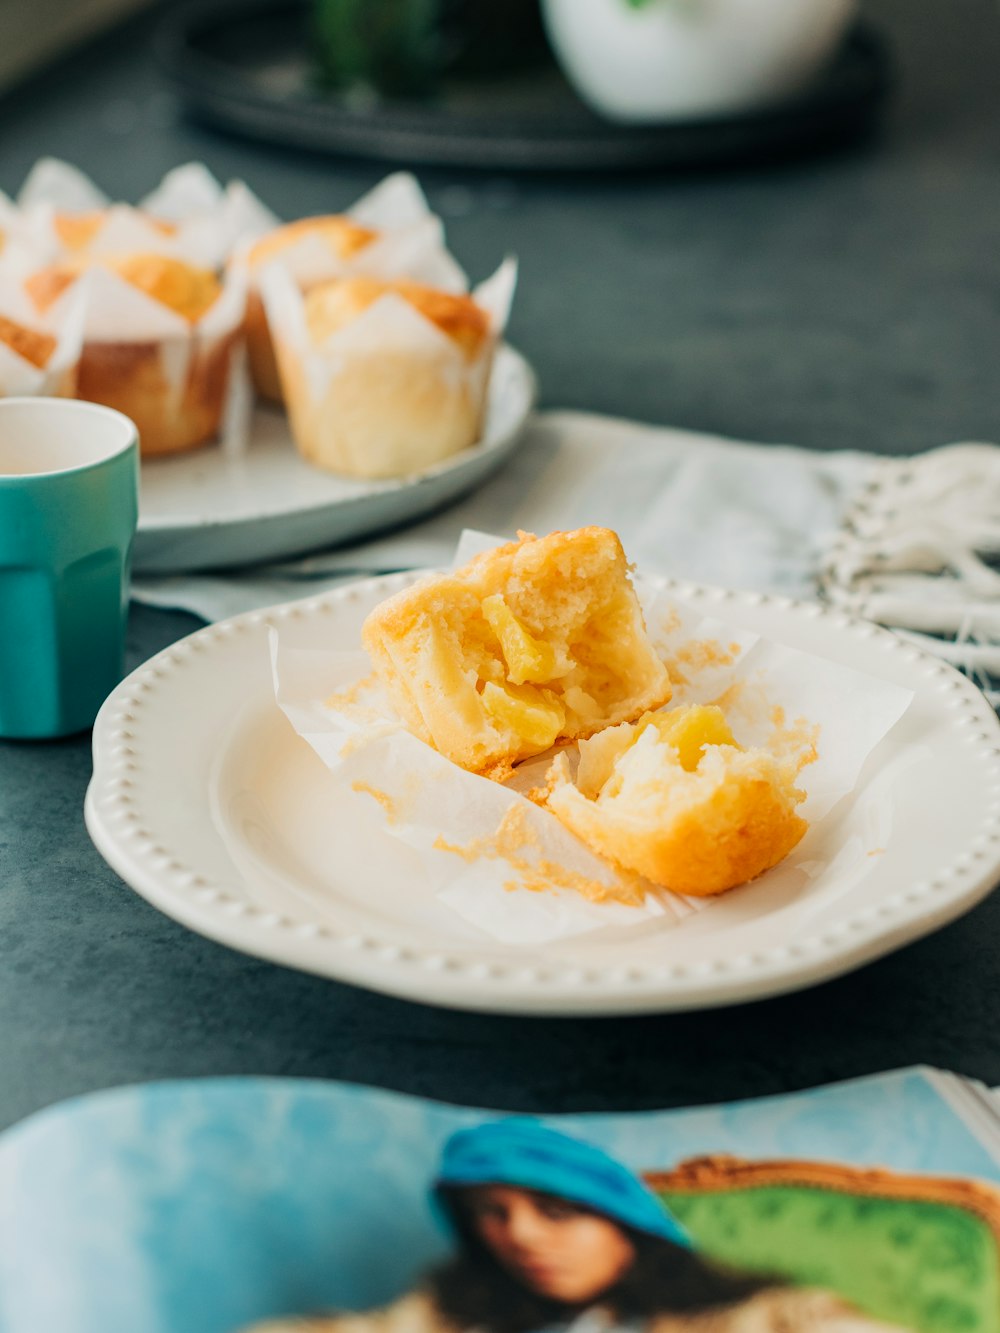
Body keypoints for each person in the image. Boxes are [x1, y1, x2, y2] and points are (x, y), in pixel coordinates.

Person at [244, 1119, 908, 1333]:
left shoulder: (765, 1315)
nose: (521, 1236)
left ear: (630, 1225)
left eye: (555, 1210)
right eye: (493, 1215)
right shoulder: (455, 1312)